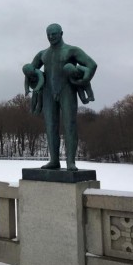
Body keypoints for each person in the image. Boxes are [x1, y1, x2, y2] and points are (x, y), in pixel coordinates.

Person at [25, 24, 97, 171]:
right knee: (50, 126)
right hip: (48, 92)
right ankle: (54, 160)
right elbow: (31, 71)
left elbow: (92, 65)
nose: (51, 37)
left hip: (66, 90)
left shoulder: (72, 50)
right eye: (49, 35)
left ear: (61, 33)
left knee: (69, 125)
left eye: (54, 34)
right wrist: (31, 78)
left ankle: (70, 162)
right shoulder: (43, 54)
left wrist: (83, 80)